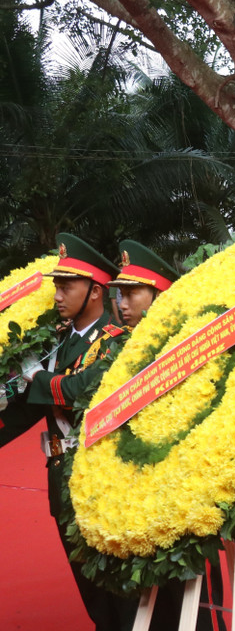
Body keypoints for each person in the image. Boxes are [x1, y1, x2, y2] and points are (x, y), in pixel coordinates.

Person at [5, 234, 138, 630]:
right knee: (93, 595)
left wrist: (37, 377)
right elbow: (28, 408)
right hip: (61, 476)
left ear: (95, 292)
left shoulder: (117, 341)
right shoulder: (59, 344)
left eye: (67, 287)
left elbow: (80, 392)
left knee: (123, 593)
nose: (58, 295)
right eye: (56, 286)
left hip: (102, 478)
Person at [106, 241, 227, 630]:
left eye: (131, 294)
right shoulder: (117, 351)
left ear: (158, 296)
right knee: (145, 607)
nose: (122, 303)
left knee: (194, 603)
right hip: (132, 495)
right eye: (119, 295)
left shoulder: (190, 350)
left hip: (181, 494)